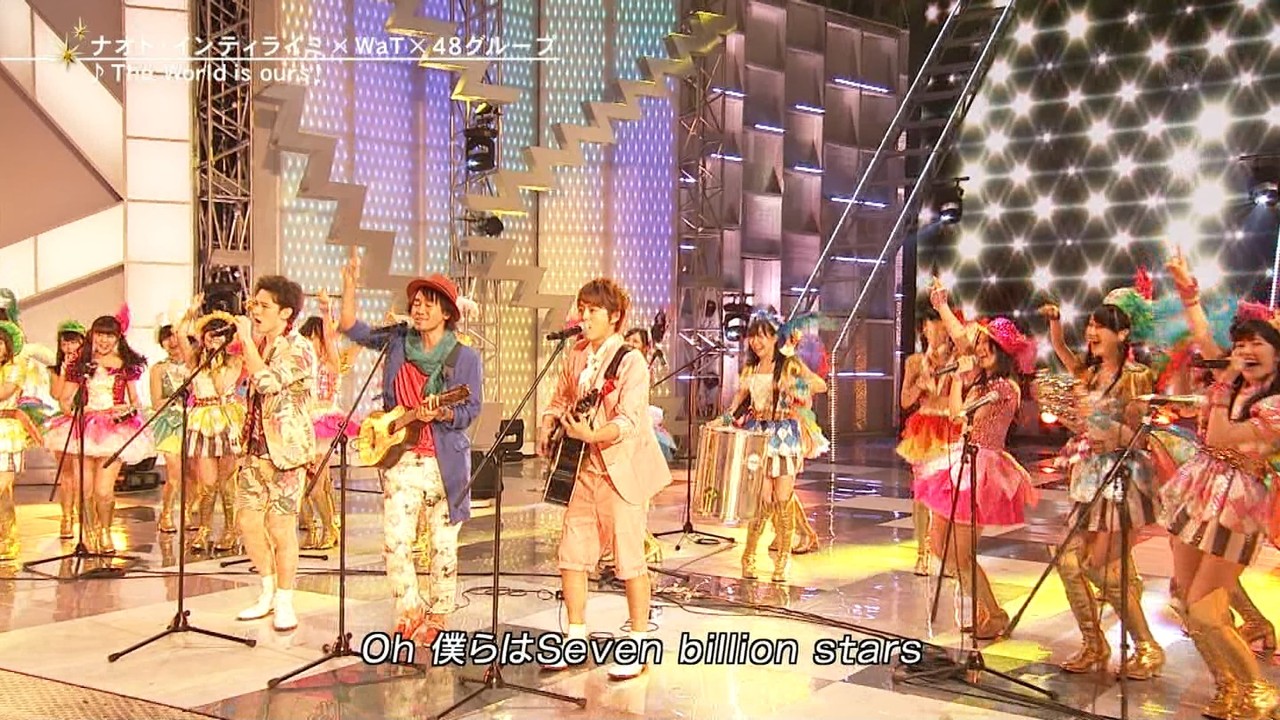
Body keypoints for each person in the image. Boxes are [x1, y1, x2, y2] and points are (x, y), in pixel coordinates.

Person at [1156, 252, 1280, 718]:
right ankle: (1227, 686)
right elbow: (1204, 335)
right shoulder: (1239, 383)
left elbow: (1223, 435)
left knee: (1207, 609)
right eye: (1241, 343)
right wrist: (1187, 292)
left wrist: (1223, 378)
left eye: (1257, 344)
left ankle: (1259, 692)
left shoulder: (1274, 403)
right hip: (1201, 490)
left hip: (1239, 504)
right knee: (1186, 603)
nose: (1245, 351)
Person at [338, 253, 482, 647]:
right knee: (396, 542)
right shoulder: (399, 342)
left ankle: (439, 614)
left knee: (442, 545)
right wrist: (350, 284)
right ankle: (408, 610)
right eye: (415, 303)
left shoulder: (464, 357)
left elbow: (470, 410)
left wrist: (442, 412)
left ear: (447, 312)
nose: (418, 309)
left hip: (444, 463)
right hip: (401, 458)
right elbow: (351, 327)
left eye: (427, 303)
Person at [537, 278, 673, 679]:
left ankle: (638, 644)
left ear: (614, 316)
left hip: (620, 470)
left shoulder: (631, 361)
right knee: (571, 554)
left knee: (629, 560)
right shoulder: (576, 354)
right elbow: (560, 396)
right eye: (582, 308)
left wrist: (593, 435)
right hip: (582, 468)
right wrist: (548, 422)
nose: (585, 316)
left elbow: (629, 420)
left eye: (594, 310)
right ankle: (574, 638)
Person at [1039, 277, 1164, 678]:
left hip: (1121, 479)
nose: (1091, 332)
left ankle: (1147, 646)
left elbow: (1139, 436)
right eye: (1090, 325)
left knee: (1097, 567)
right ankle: (1094, 644)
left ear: (1122, 334)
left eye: (1100, 326)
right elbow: (1063, 352)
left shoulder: (1136, 376)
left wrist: (1105, 428)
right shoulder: (1088, 374)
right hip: (1090, 477)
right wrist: (1055, 325)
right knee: (1066, 561)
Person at [914, 281, 1038, 638]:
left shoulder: (1005, 388)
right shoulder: (981, 382)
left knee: (962, 553)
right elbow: (961, 342)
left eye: (987, 346)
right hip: (961, 460)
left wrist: (960, 381)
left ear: (1002, 352)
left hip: (983, 469)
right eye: (980, 344)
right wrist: (942, 306)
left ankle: (995, 614)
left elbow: (963, 415)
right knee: (940, 545)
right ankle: (985, 610)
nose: (979, 350)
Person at [232, 276, 316, 632]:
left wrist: (246, 342)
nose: (256, 311)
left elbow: (267, 383)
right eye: (254, 304)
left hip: (285, 453)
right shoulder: (262, 346)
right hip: (254, 450)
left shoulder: (298, 347)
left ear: (285, 312)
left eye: (264, 305)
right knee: (247, 521)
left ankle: (285, 600)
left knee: (281, 527)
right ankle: (266, 591)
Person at [724, 308, 829, 583]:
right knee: (764, 500)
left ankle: (783, 559)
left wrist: (796, 388)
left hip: (785, 436)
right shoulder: (750, 368)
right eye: (752, 337)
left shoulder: (790, 364)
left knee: (783, 499)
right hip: (758, 436)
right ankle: (749, 555)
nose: (756, 342)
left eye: (762, 336)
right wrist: (724, 418)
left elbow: (820, 385)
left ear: (774, 338)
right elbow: (737, 400)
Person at [42, 311, 152, 555]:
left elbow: (136, 400)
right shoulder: (81, 364)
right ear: (92, 335)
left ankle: (105, 531)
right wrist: (75, 411)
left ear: (118, 338)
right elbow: (65, 400)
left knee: (104, 490)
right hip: (84, 428)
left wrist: (127, 409)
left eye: (109, 336)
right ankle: (89, 533)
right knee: (85, 489)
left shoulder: (126, 365)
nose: (104, 340)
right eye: (100, 335)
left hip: (114, 429)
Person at [174, 307, 246, 553]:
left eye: (219, 336)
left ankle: (231, 530)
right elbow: (180, 335)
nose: (214, 340)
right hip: (202, 419)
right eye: (210, 335)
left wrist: (216, 363)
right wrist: (190, 314)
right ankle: (204, 529)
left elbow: (222, 387)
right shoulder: (195, 360)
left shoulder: (235, 360)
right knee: (207, 482)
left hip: (226, 418)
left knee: (227, 482)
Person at [898, 304, 963, 576]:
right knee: (922, 493)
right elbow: (905, 401)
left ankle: (943, 552)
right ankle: (922, 552)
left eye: (939, 325)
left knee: (948, 493)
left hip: (951, 426)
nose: (933, 331)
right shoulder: (915, 362)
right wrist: (919, 384)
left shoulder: (959, 360)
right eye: (928, 326)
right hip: (925, 429)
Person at [298, 291, 355, 551]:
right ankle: (312, 528)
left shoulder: (330, 364)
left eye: (313, 338)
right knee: (303, 481)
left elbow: (332, 341)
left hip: (322, 423)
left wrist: (325, 311)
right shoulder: (301, 366)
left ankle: (330, 529)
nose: (310, 344)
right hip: (302, 423)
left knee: (316, 482)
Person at [0, 320, 39, 560]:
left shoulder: (16, 368)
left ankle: (8, 540)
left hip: (6, 433)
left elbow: (4, 392)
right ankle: (6, 538)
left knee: (2, 488)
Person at [148, 325, 190, 533]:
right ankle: (166, 513)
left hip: (195, 421)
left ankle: (189, 511)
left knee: (194, 473)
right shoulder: (158, 369)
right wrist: (175, 397)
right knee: (175, 472)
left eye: (176, 337)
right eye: (167, 338)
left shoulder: (195, 365)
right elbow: (156, 402)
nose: (173, 342)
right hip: (170, 423)